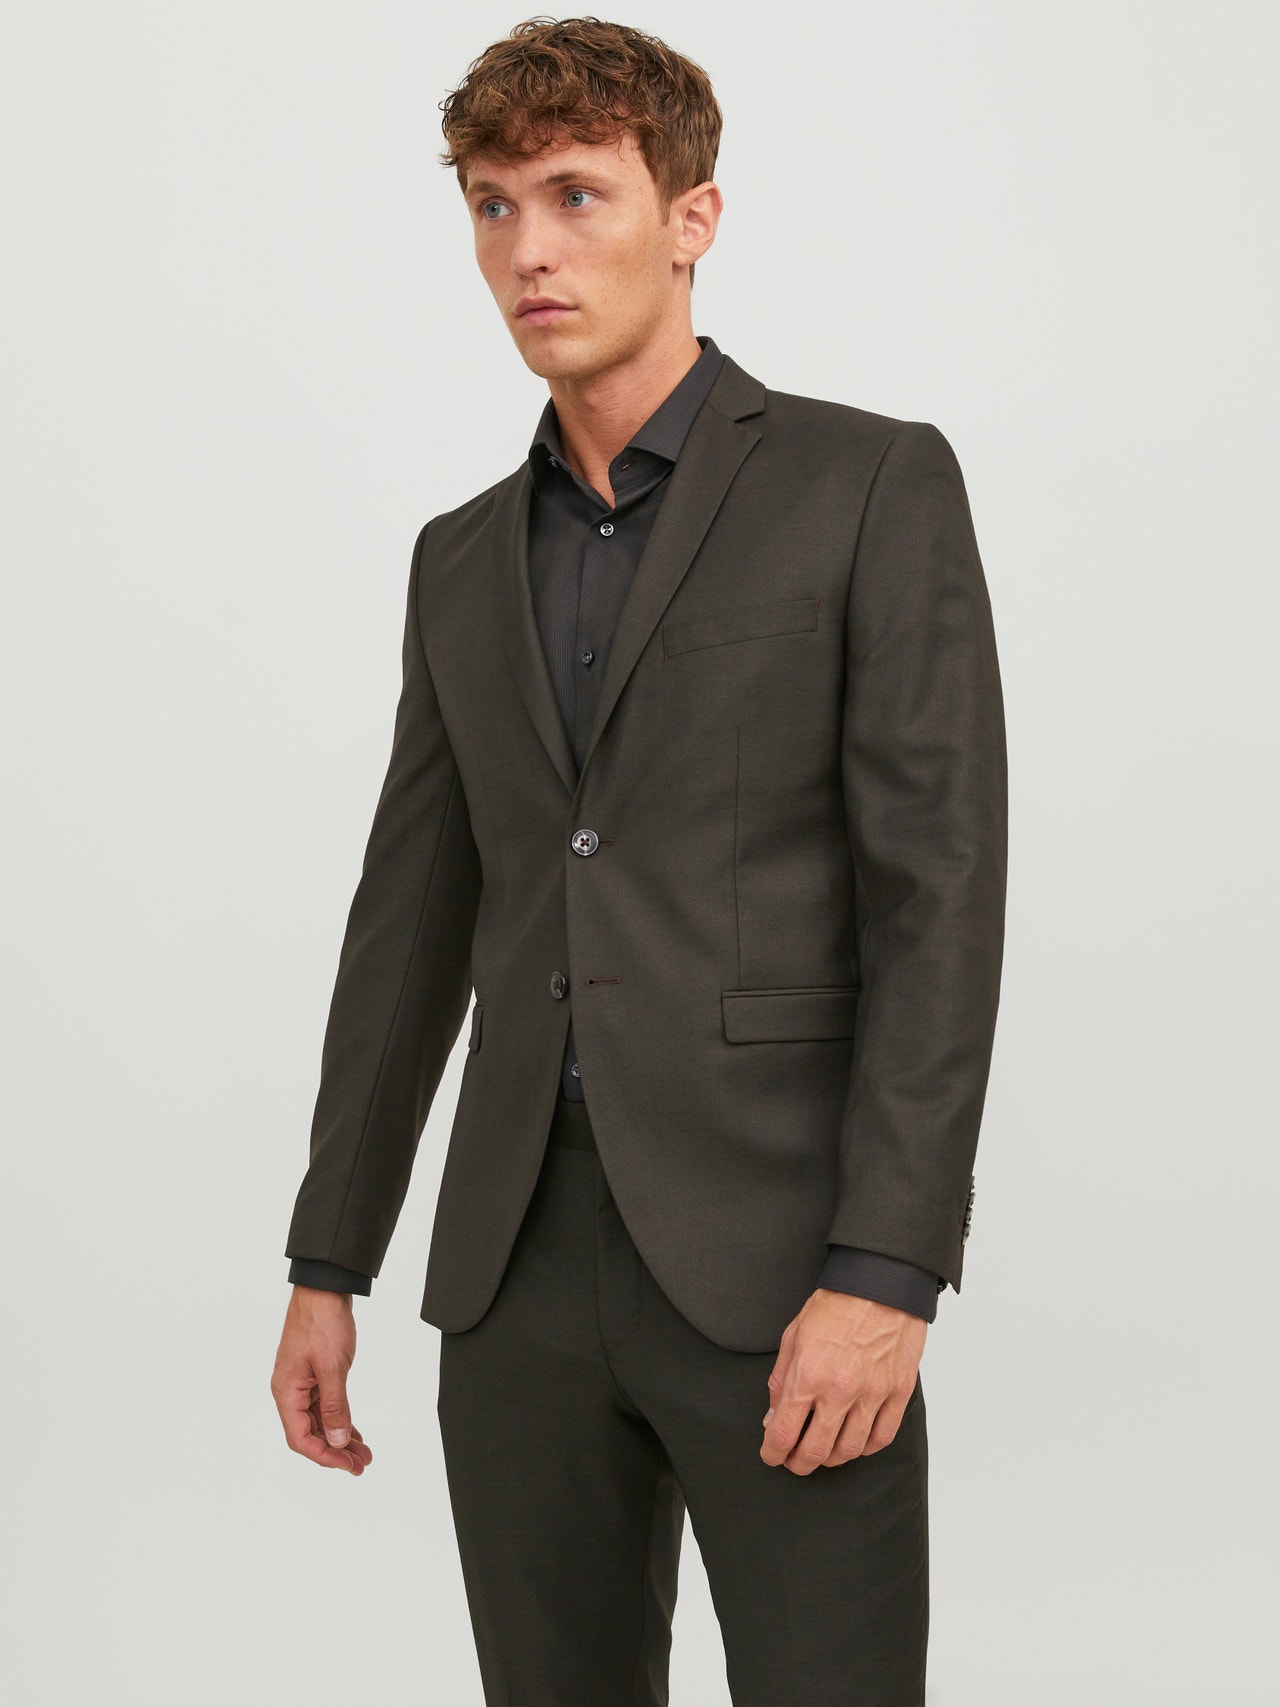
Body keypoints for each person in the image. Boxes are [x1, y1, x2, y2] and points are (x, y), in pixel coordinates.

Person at [271, 17, 1006, 1704]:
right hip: (513, 1274)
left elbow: (940, 896)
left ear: (693, 218)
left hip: (782, 1268)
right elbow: (410, 928)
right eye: (492, 204)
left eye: (577, 196)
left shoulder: (866, 483)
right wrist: (330, 1258)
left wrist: (887, 1272)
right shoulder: (459, 559)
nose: (528, 250)